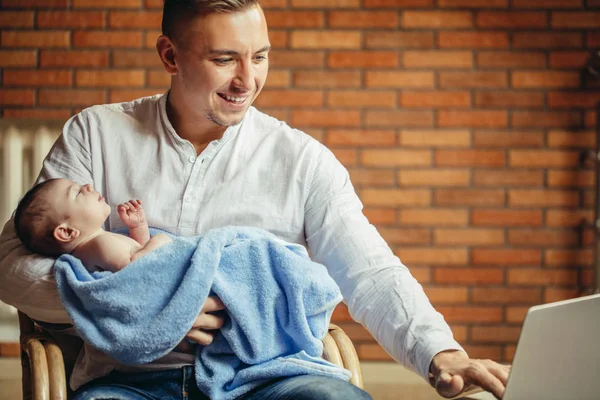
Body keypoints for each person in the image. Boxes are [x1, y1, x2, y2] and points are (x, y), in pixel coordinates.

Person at [0, 0, 510, 399]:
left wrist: (440, 353)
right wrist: (149, 303)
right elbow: (10, 264)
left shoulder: (302, 159)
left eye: (260, 56)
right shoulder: (96, 134)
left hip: (271, 378)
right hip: (130, 382)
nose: (248, 80)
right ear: (169, 55)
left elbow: (371, 271)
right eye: (225, 59)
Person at [12, 178, 172, 273]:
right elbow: (135, 270)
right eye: (78, 193)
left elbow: (138, 249)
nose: (88, 186)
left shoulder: (99, 240)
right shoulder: (99, 244)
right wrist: (158, 242)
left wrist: (138, 226)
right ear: (66, 232)